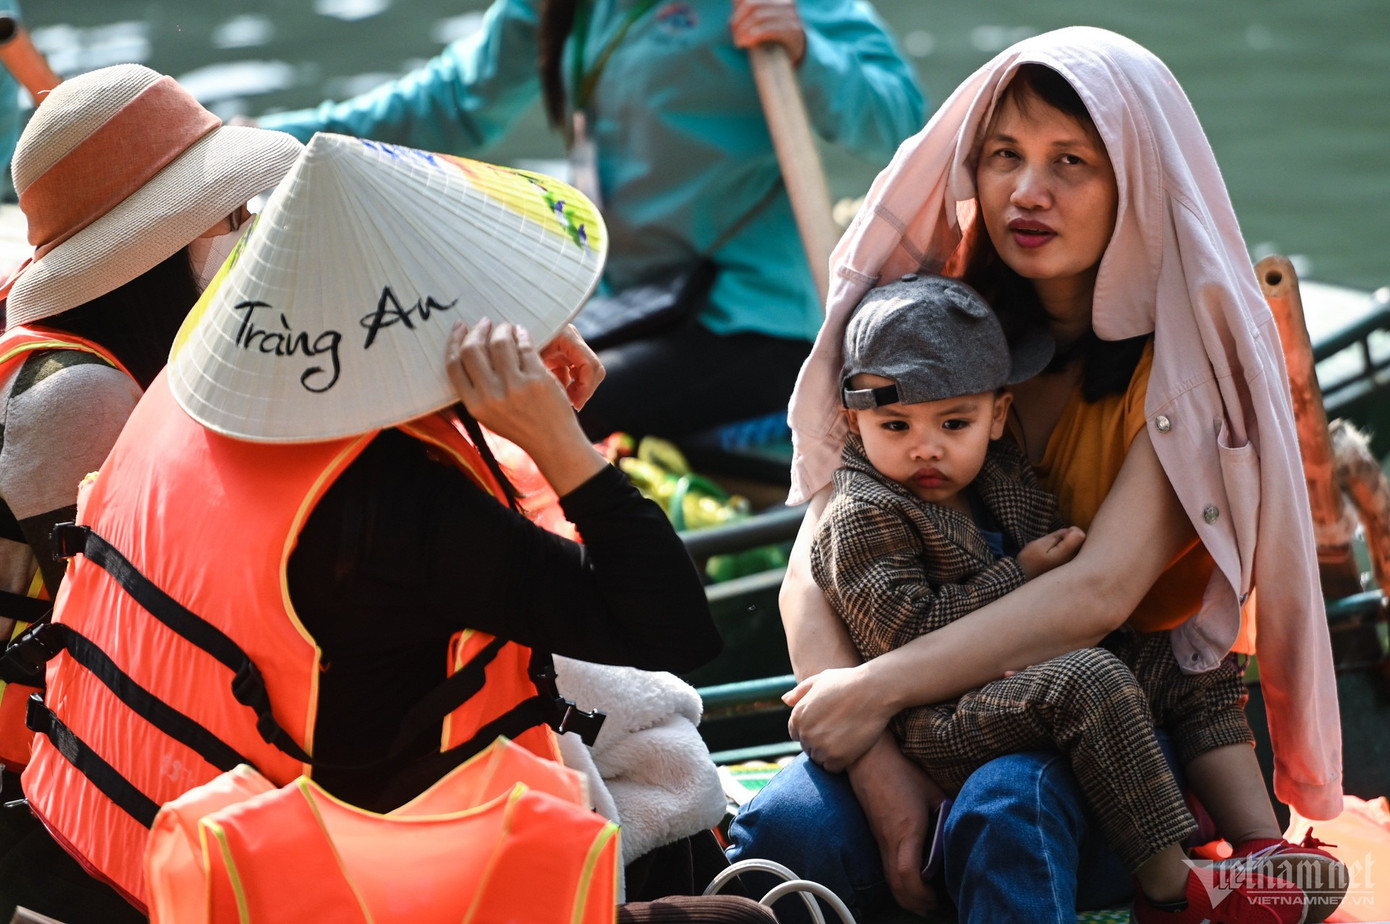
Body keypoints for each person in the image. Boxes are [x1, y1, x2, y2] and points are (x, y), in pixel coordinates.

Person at [19, 132, 775, 923]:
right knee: (745, 917)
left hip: (135, 860)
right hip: (332, 894)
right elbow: (673, 628)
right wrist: (559, 441)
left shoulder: (174, 398)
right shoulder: (403, 508)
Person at [726, 26, 1345, 924]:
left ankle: (1217, 867)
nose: (1027, 191)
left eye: (1071, 162)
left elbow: (1097, 593)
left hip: (1116, 712)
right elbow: (811, 563)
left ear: (1137, 183)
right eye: (1004, 155)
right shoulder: (941, 327)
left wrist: (875, 689)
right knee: (791, 828)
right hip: (925, 707)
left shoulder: (1183, 376)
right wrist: (875, 762)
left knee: (1005, 801)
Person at [814, 270, 1338, 922]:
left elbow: (1060, 551)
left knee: (1186, 656)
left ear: (997, 415)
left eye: (953, 423)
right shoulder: (863, 513)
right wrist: (1020, 574)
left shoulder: (997, 471)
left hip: (1019, 674)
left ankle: (1260, 844)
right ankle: (1172, 888)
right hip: (932, 713)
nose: (926, 448)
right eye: (895, 426)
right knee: (1091, 678)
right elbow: (903, 635)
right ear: (854, 421)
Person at [252, 0, 925, 442]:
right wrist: (272, 143)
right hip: (622, 301)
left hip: (749, 318)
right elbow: (451, 102)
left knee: (521, 412)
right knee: (441, 380)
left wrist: (809, 52)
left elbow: (901, 119)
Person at [0, 62, 304, 923]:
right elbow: (145, 630)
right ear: (157, 244)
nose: (253, 229)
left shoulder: (78, 345)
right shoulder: (81, 395)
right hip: (40, 801)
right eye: (233, 214)